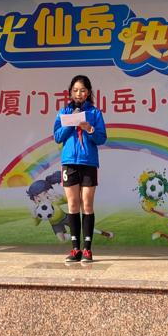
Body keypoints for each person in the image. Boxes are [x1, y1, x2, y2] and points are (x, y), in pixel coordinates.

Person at [53, 75, 106, 263]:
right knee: (73, 204)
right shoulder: (64, 112)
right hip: (69, 163)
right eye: (75, 90)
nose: (79, 93)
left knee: (87, 204)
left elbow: (101, 138)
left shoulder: (95, 113)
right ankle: (75, 249)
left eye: (82, 90)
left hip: (88, 162)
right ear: (70, 92)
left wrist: (89, 128)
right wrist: (71, 123)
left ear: (88, 92)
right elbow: (57, 137)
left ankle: (87, 250)